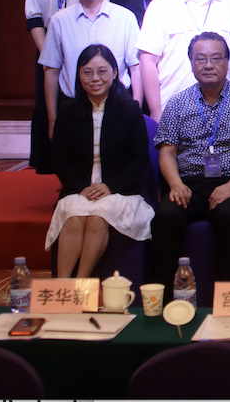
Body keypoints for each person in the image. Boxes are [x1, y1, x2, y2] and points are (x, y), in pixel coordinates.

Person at [151, 32, 230, 289]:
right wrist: (175, 185)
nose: (208, 65)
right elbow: (167, 152)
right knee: (165, 217)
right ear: (191, 63)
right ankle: (167, 299)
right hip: (187, 183)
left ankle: (227, 295)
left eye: (216, 58)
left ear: (227, 62)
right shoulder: (177, 103)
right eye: (200, 59)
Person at [45, 45, 153, 278]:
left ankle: (81, 285)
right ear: (79, 75)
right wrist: (81, 186)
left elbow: (139, 157)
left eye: (102, 71)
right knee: (73, 216)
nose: (95, 78)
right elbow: (58, 158)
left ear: (114, 73)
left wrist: (110, 186)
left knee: (98, 216)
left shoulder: (130, 109)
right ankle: (62, 286)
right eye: (87, 72)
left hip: (119, 192)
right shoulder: (68, 110)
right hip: (78, 190)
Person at [40, 0, 142, 139]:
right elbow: (51, 72)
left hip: (118, 109)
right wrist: (53, 119)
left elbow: (136, 69)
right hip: (74, 110)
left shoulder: (125, 18)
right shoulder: (59, 21)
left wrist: (136, 112)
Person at [27, 0, 90, 173]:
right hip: (47, 53)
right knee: (49, 108)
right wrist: (49, 55)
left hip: (82, 52)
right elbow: (33, 19)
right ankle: (53, 166)